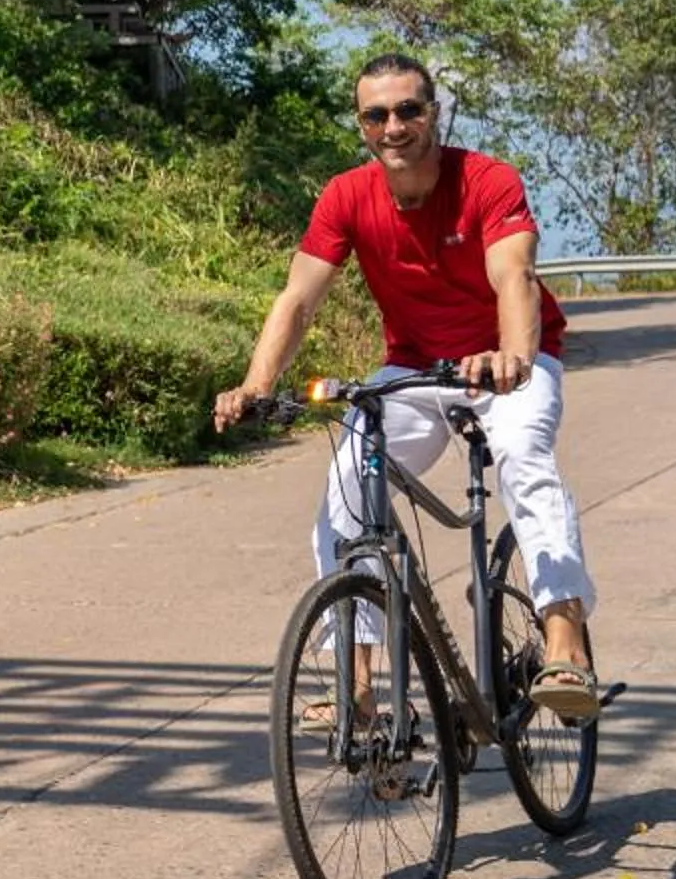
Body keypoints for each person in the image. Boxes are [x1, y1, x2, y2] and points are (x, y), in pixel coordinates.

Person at [214, 50, 600, 719]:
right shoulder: (346, 195)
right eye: (376, 114)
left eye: (408, 110)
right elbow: (299, 298)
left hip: (506, 363)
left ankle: (564, 638)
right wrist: (255, 383)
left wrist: (511, 355)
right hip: (415, 369)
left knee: (522, 460)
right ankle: (358, 690)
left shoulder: (487, 179)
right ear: (362, 124)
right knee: (344, 496)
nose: (394, 126)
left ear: (433, 114)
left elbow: (515, 277)